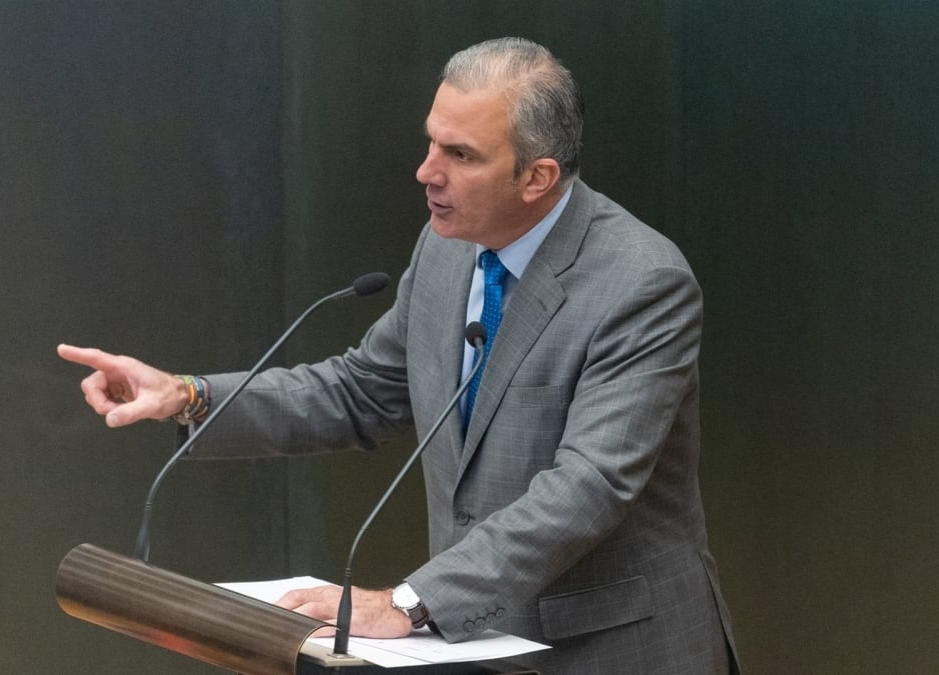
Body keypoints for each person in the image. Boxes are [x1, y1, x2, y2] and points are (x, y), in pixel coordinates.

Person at [58, 37, 738, 674]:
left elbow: (588, 485)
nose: (426, 171)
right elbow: (362, 392)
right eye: (430, 142)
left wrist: (412, 601)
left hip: (611, 649)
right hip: (475, 644)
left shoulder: (641, 283)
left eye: (461, 155)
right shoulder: (447, 246)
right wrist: (189, 394)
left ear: (537, 176)